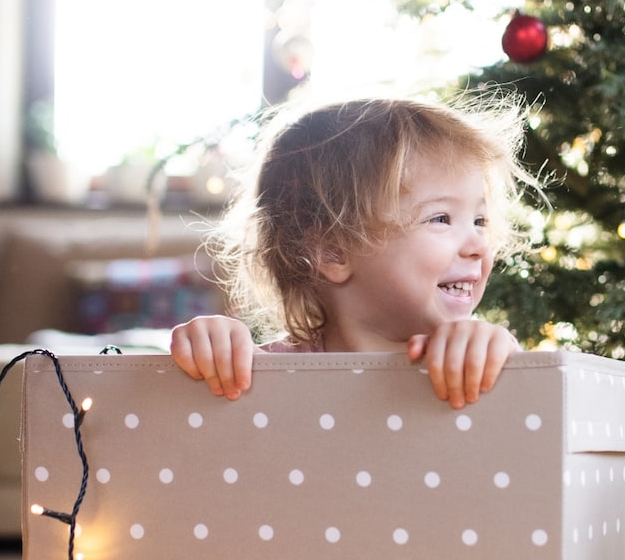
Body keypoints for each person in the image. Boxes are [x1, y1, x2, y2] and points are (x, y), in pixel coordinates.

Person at [169, 96, 537, 407]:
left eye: (479, 221)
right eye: (441, 218)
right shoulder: (263, 375)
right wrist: (211, 352)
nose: (478, 246)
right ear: (333, 252)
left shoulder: (479, 360)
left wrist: (501, 356)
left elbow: (527, 417)